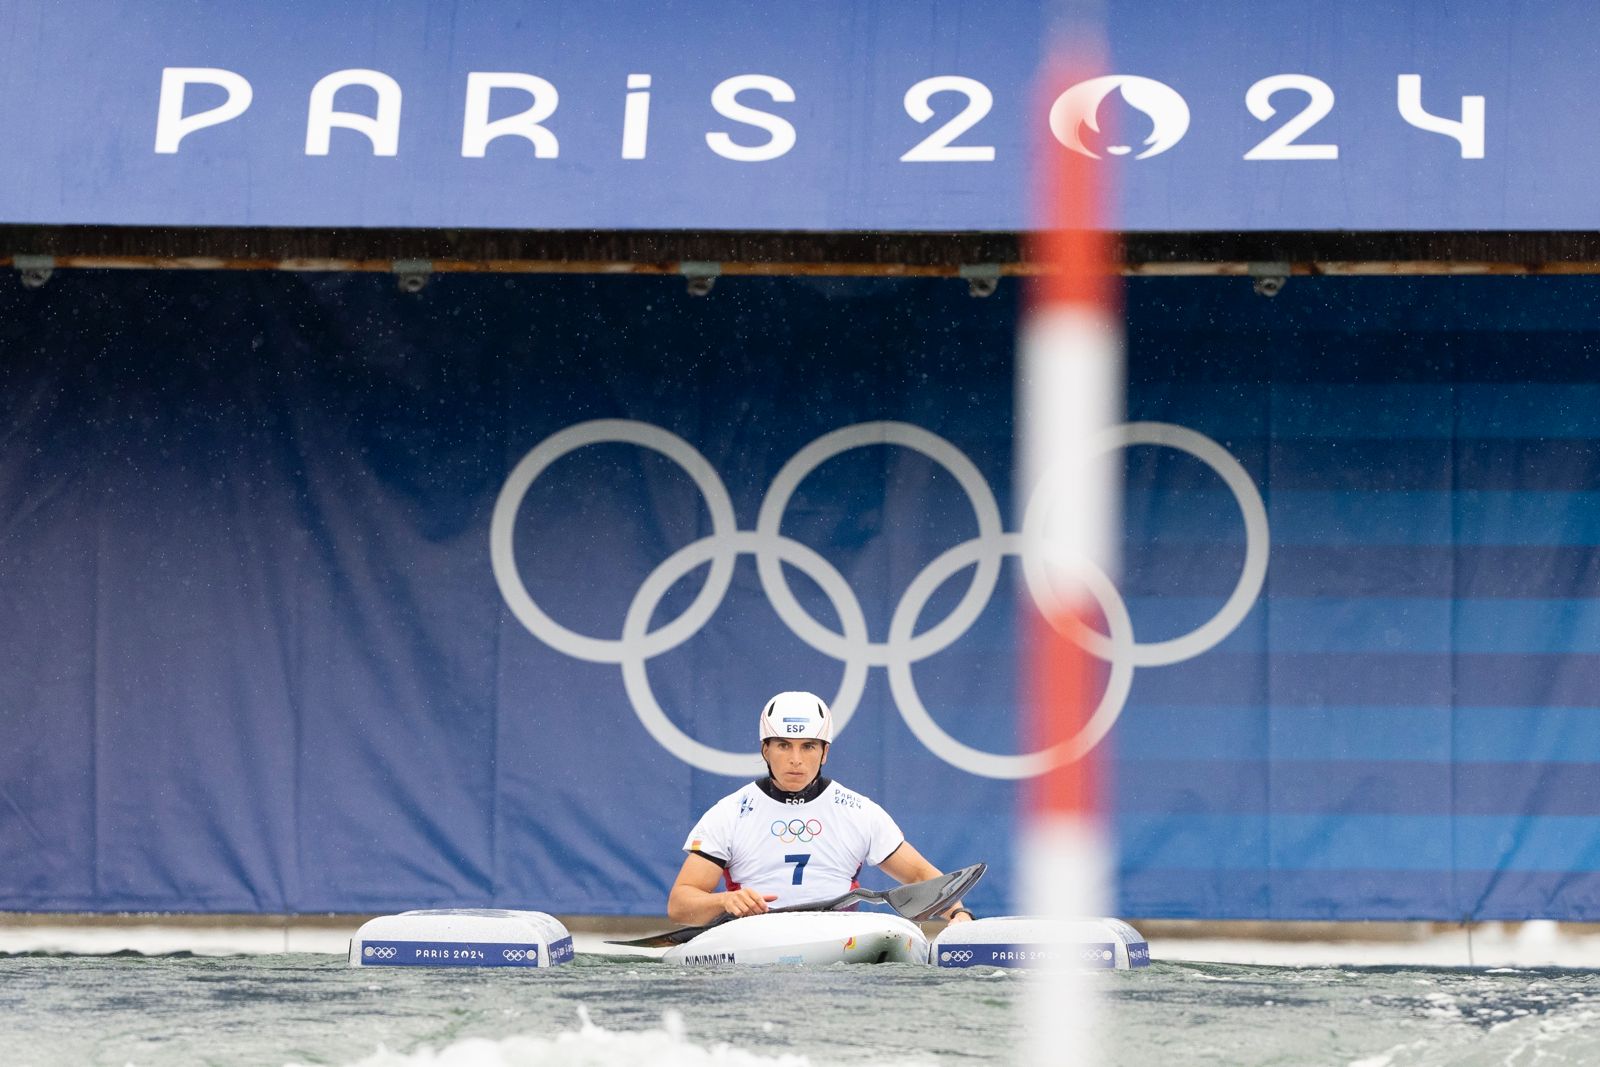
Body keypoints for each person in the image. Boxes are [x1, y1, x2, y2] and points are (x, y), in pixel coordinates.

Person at [667, 690, 975, 926]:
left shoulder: (858, 811)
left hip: (834, 944)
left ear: (824, 752)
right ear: (765, 750)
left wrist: (959, 914)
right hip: (753, 939)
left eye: (808, 746)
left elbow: (920, 874)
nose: (796, 759)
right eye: (784, 745)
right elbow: (680, 905)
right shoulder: (729, 813)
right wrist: (725, 901)